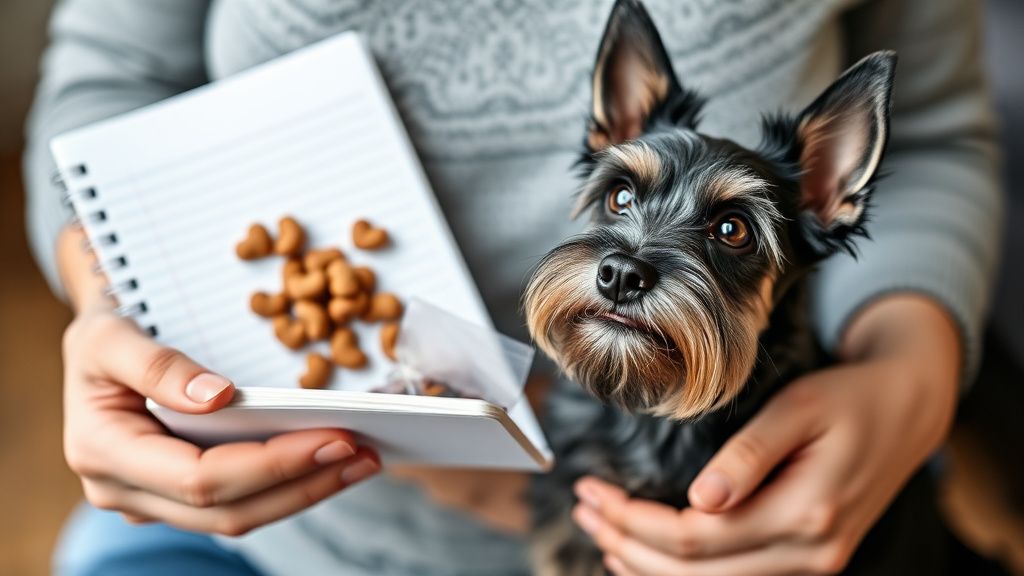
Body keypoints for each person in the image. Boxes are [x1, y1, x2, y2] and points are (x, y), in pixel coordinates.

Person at [25, 1, 1001, 575]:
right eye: (619, 196)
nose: (625, 256)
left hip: (817, 530)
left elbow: (932, 127)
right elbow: (109, 86)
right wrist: (112, 312)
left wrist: (910, 376)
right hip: (290, 532)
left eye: (731, 230)